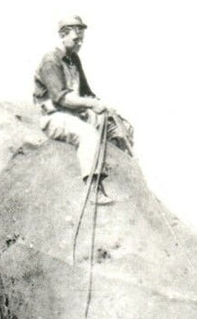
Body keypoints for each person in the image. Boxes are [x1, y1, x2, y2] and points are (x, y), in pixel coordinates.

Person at [32, 14, 132, 205]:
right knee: (88, 134)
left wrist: (103, 107)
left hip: (75, 114)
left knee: (118, 126)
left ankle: (122, 174)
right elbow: (62, 98)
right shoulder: (51, 60)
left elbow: (86, 92)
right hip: (55, 117)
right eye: (76, 39)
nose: (79, 44)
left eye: (81, 40)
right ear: (62, 35)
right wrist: (92, 105)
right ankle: (93, 188)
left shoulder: (73, 59)